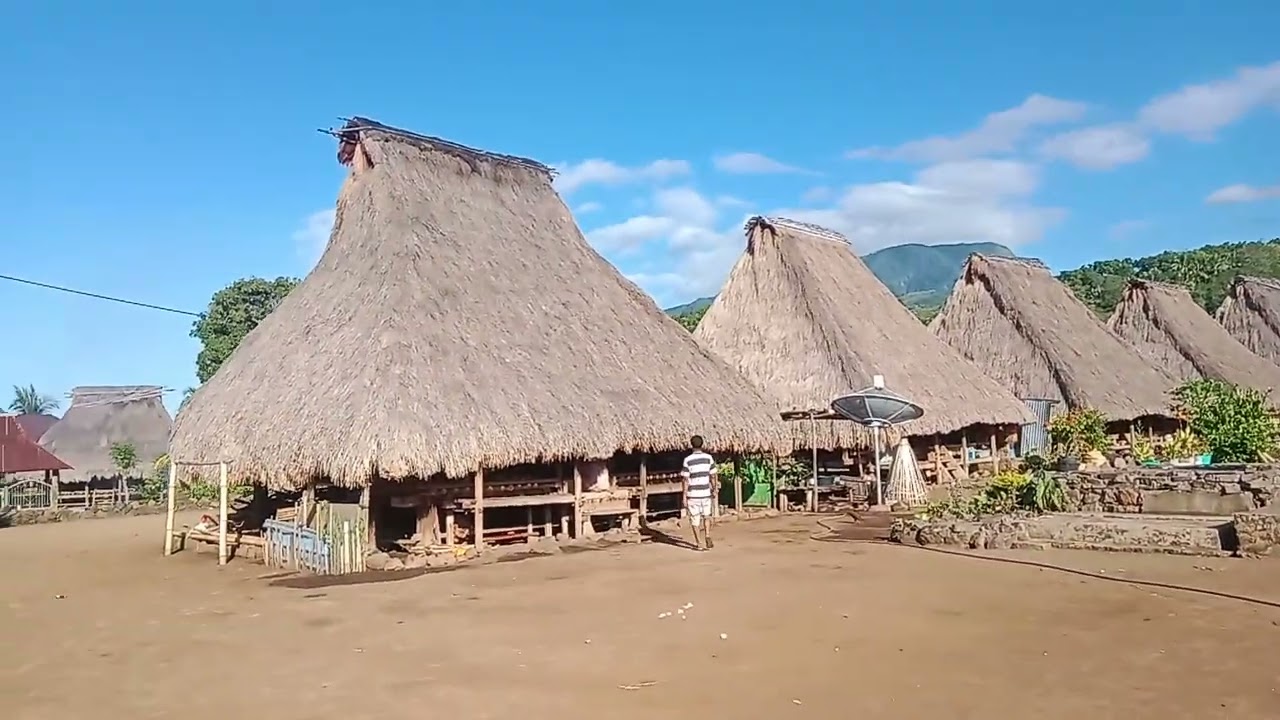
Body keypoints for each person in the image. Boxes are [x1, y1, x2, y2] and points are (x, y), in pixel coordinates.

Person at [680, 435, 718, 550]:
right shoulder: (708, 458)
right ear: (702, 444)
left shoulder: (688, 460)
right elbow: (713, 475)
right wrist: (714, 488)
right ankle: (707, 535)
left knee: (695, 519)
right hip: (706, 493)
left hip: (693, 495)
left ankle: (699, 543)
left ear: (691, 445)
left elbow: (685, 479)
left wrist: (684, 496)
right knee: (707, 516)